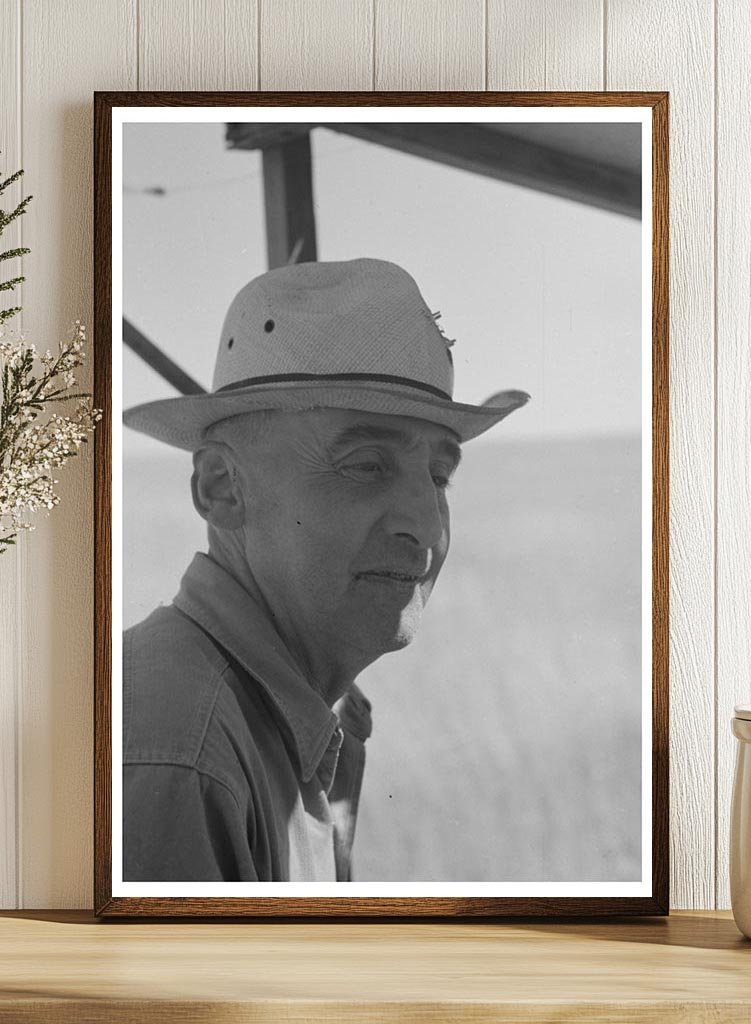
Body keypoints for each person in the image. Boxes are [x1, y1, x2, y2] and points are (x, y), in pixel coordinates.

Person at [122, 257, 528, 881]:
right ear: (222, 487)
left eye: (438, 475)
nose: (426, 525)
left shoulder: (281, 714)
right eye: (366, 466)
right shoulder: (181, 753)